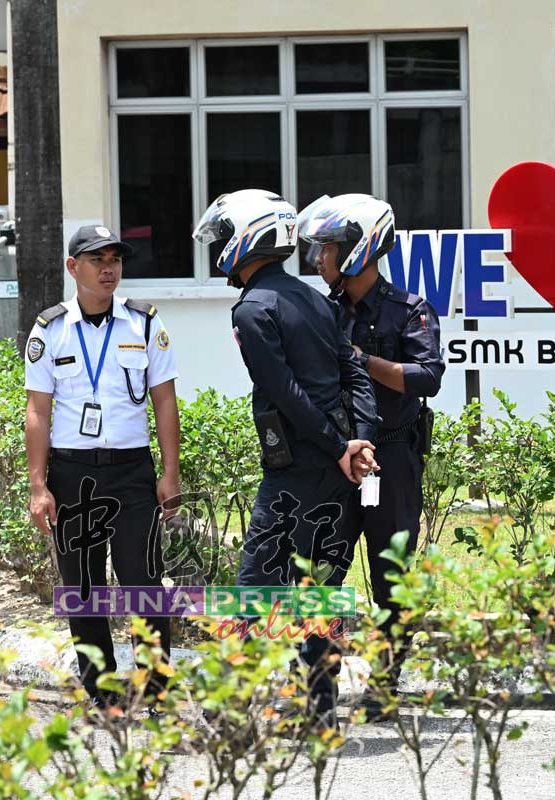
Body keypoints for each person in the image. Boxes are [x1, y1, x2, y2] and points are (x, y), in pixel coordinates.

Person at [192, 189, 380, 730]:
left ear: (249, 238)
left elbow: (287, 393)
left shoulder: (254, 308)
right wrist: (358, 441)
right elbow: (355, 374)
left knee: (254, 587)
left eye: (224, 237)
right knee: (319, 589)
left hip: (296, 471)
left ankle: (226, 708)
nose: (220, 249)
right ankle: (321, 712)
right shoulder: (315, 299)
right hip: (339, 471)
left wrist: (338, 443)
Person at [24, 224, 181, 711]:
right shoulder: (49, 329)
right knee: (83, 584)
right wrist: (38, 487)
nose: (109, 268)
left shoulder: (145, 323)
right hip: (73, 475)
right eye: (97, 259)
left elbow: (165, 402)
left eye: (115, 259)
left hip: (132, 471)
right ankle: (101, 691)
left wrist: (170, 473)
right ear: (74, 268)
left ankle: (156, 692)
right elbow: (38, 411)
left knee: (143, 583)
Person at [299, 193, 445, 717]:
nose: (319, 260)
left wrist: (362, 359)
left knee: (392, 579)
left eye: (329, 249)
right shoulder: (321, 311)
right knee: (321, 577)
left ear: (359, 249)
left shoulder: (410, 310)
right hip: (337, 462)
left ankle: (385, 688)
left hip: (392, 460)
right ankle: (320, 693)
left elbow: (428, 377)